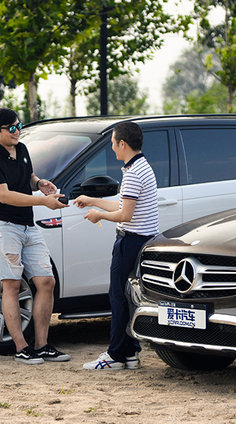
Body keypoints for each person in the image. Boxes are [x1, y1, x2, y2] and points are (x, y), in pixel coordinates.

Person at [0, 107, 70, 365]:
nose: (17, 131)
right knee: (11, 284)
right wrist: (43, 201)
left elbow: (28, 177)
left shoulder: (22, 149)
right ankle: (21, 348)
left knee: (46, 281)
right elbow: (4, 195)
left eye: (19, 126)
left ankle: (42, 345)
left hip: (28, 226)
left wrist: (39, 183)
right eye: (11, 128)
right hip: (4, 226)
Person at [74, 121, 159, 370]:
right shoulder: (140, 167)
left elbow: (124, 215)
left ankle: (115, 355)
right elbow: (123, 205)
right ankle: (130, 353)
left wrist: (97, 215)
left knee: (118, 297)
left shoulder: (133, 173)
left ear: (122, 143)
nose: (112, 148)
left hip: (130, 241)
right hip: (140, 240)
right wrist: (93, 200)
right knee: (127, 297)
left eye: (113, 143)